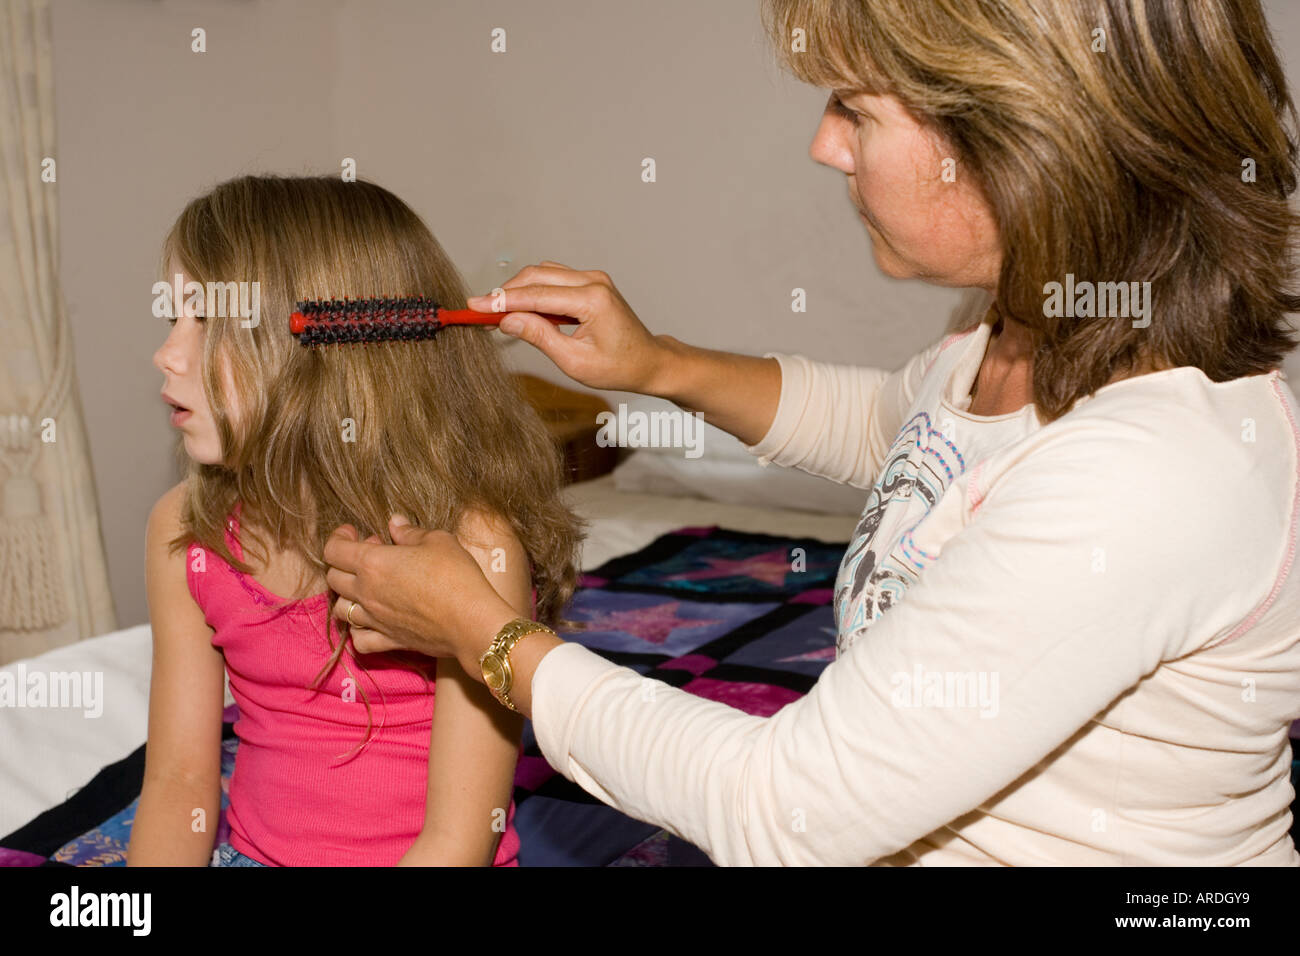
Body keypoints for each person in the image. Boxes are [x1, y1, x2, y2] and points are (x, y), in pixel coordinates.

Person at [322, 0, 1300, 865]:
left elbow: (783, 810)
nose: (825, 146)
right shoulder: (1015, 330)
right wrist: (657, 365)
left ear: (1021, 136)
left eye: (855, 110)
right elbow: (892, 430)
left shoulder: (1151, 474)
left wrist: (485, 634)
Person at [127, 175, 583, 867]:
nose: (167, 354)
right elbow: (178, 782)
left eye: (209, 323)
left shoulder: (471, 549)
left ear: (331, 351)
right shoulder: (187, 530)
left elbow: (460, 840)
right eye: (174, 318)